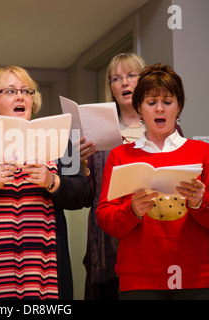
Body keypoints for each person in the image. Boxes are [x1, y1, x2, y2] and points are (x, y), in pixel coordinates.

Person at [0, 65, 91, 300]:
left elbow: (83, 195)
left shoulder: (60, 143)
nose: (21, 96)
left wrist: (52, 181)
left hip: (46, 278)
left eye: (27, 91)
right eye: (11, 91)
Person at [96, 63, 209, 300]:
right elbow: (106, 218)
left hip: (196, 277)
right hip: (140, 280)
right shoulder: (120, 155)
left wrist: (201, 203)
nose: (160, 109)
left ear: (178, 107)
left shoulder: (203, 152)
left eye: (167, 102)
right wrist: (133, 211)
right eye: (151, 103)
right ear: (139, 108)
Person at [82, 53, 146, 300]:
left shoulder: (164, 124)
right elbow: (87, 197)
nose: (124, 83)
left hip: (151, 236)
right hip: (108, 241)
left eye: (131, 75)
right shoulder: (97, 131)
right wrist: (82, 165)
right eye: (116, 78)